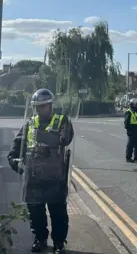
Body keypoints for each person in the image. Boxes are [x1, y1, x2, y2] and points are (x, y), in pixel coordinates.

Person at [7, 89, 74, 254]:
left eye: (42, 106)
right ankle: (40, 239)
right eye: (36, 107)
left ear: (50, 105)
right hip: (34, 176)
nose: (39, 110)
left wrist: (42, 137)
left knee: (58, 213)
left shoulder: (62, 121)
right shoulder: (30, 123)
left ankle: (59, 242)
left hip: (55, 176)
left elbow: (66, 138)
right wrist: (13, 159)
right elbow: (19, 143)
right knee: (35, 212)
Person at [124, 98, 137, 162]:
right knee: (130, 145)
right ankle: (128, 157)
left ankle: (136, 157)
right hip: (131, 129)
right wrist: (128, 130)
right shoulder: (129, 112)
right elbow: (126, 122)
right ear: (133, 104)